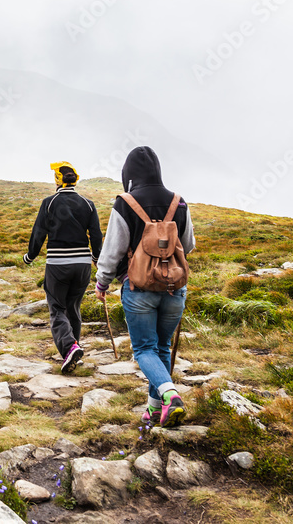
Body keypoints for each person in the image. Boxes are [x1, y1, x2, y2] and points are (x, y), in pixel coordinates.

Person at [95, 146, 196, 428]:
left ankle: (170, 394)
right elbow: (188, 245)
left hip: (139, 289)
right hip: (175, 288)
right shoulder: (179, 202)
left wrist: (102, 282)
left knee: (143, 350)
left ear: (128, 173)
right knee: (161, 347)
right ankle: (154, 410)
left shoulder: (125, 202)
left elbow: (113, 249)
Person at [24, 162, 103, 374]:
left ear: (58, 180)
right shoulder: (88, 204)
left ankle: (70, 347)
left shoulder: (49, 203)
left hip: (58, 264)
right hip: (82, 265)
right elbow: (96, 235)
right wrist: (96, 257)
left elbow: (38, 232)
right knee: (73, 307)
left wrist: (30, 256)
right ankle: (73, 351)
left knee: (57, 308)